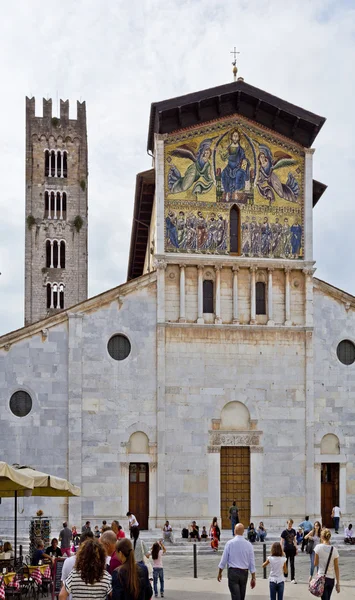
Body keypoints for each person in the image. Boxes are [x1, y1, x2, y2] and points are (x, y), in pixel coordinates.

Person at [217, 523, 256, 600]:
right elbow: (252, 563)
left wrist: (220, 573)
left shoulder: (230, 543)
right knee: (241, 596)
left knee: (235, 596)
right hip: (244, 573)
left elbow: (224, 559)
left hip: (233, 572)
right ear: (243, 532)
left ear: (235, 531)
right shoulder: (249, 545)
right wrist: (253, 577)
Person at [314, 528, 340, 599]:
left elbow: (315, 563)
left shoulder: (318, 547)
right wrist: (338, 583)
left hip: (322, 577)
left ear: (322, 537)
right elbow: (336, 567)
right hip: (331, 579)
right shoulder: (334, 550)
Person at [280, 519, 298, 584]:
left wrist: (296, 548)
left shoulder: (293, 531)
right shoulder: (284, 532)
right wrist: (281, 550)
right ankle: (285, 576)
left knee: (292, 564)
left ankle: (292, 578)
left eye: (291, 524)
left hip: (292, 549)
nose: (290, 525)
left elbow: (295, 540)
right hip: (286, 549)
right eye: (289, 524)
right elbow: (281, 541)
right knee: (285, 564)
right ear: (287, 523)